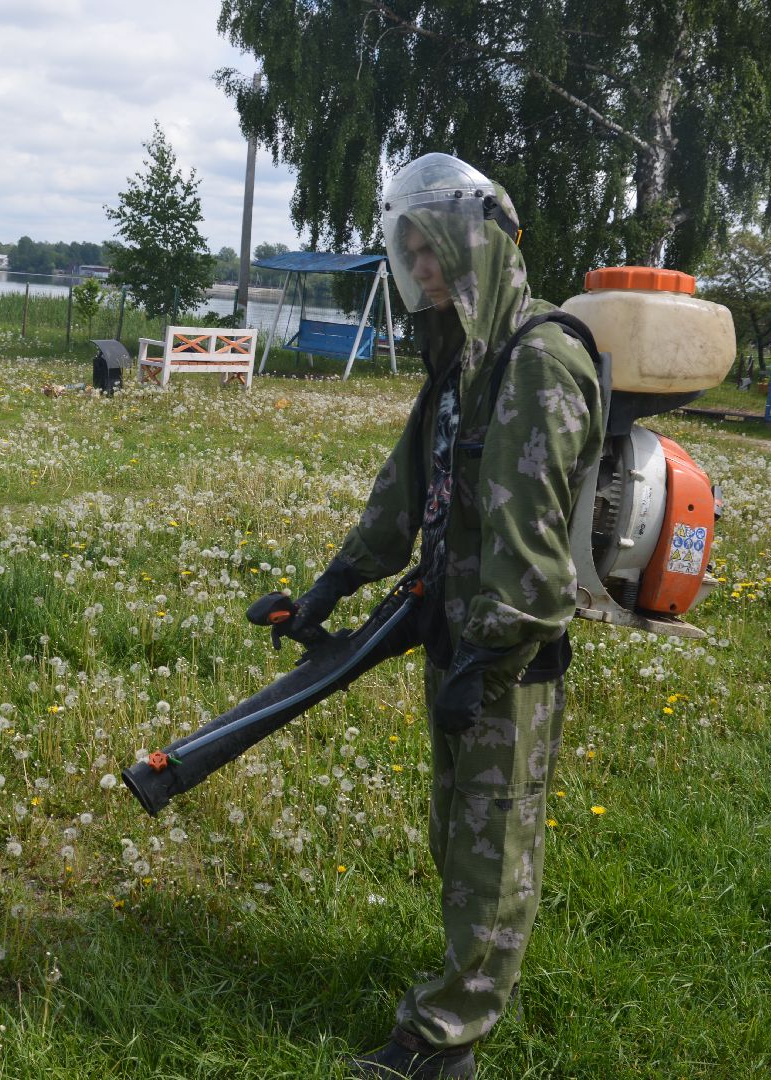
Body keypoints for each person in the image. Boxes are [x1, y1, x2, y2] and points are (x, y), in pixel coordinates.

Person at [281, 154, 604, 1079]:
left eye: (433, 253)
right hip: (456, 635)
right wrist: (331, 587)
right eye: (410, 254)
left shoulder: (539, 360)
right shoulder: (462, 357)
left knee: (494, 835)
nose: (421, 271)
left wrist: (494, 658)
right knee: (456, 832)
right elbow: (408, 489)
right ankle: (463, 977)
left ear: (480, 248)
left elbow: (532, 541)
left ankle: (442, 1041)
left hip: (508, 649)